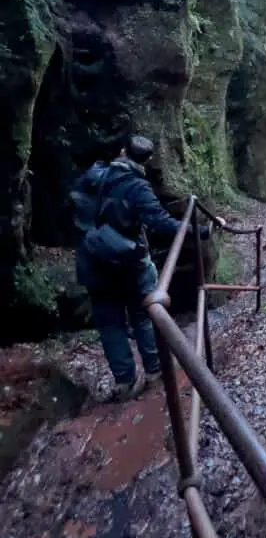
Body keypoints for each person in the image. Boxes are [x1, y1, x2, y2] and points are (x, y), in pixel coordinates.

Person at [71, 134, 224, 401]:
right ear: (147, 160)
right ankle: (155, 370)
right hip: (128, 263)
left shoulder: (93, 176)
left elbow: (75, 207)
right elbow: (162, 224)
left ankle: (125, 382)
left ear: (121, 151)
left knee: (110, 324)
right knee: (144, 314)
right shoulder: (137, 187)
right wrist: (203, 231)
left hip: (93, 260)